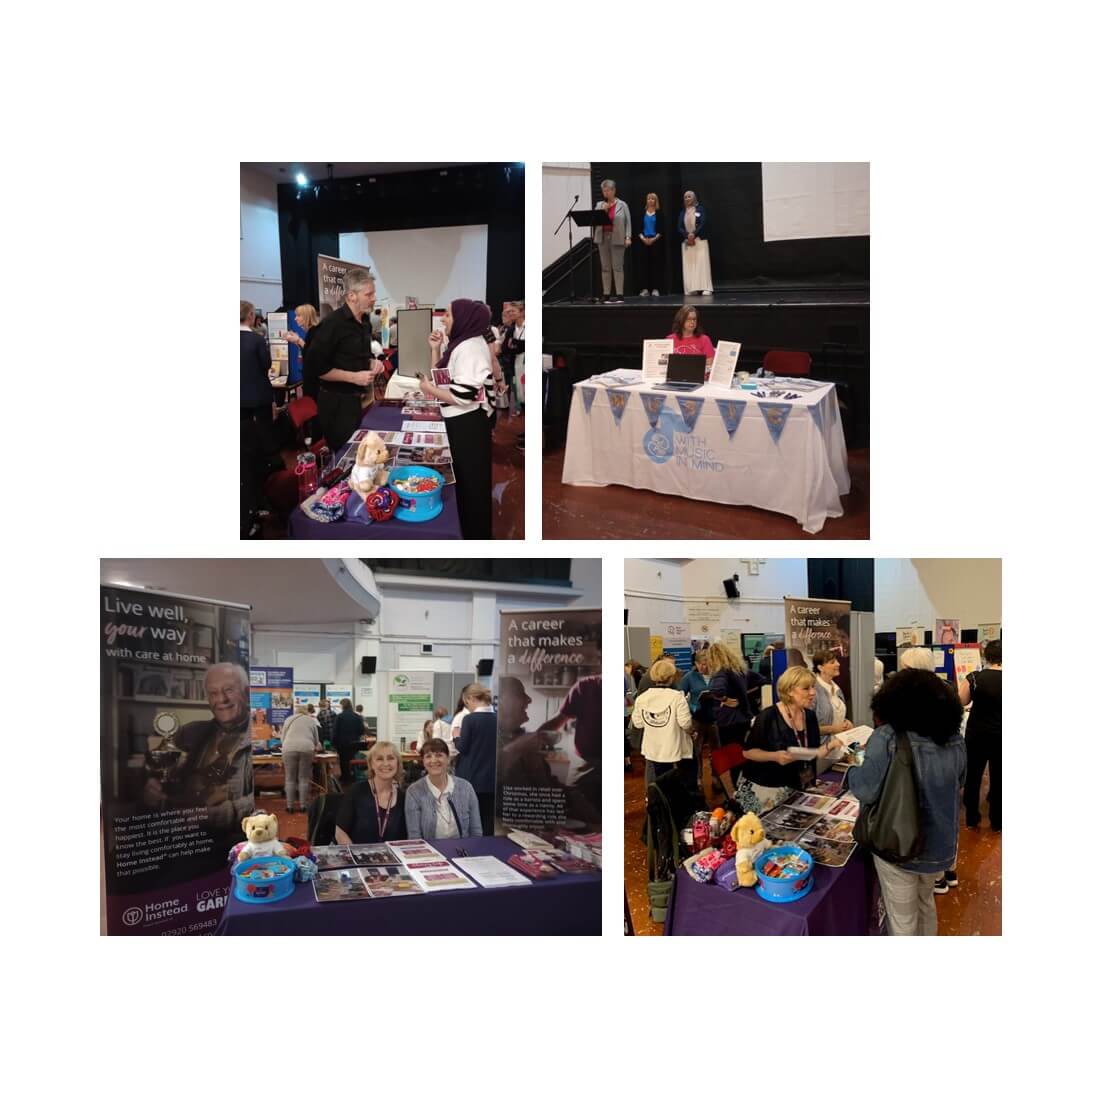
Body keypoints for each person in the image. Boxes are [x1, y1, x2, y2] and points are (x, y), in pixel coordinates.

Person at [848, 669, 966, 936]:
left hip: (899, 846)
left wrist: (854, 762)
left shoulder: (887, 737)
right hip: (939, 845)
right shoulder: (954, 738)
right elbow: (959, 782)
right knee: (926, 903)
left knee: (902, 920)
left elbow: (864, 789)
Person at [142, 662, 255, 833]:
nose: (221, 699)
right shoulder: (189, 732)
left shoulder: (258, 736)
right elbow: (156, 767)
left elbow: (260, 800)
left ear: (246, 693)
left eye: (229, 690)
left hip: (232, 838)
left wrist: (213, 815)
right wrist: (150, 784)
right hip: (180, 834)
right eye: (213, 693)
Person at [417, 299, 495, 539]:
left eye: (448, 315)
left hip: (468, 425)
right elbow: (444, 381)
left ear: (463, 318)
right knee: (467, 483)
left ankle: (475, 538)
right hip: (463, 422)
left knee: (472, 486)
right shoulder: (462, 344)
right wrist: (434, 349)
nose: (443, 319)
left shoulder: (470, 347)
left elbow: (462, 396)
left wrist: (427, 389)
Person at [736, 667, 842, 816]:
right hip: (765, 789)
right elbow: (747, 752)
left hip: (796, 788)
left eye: (813, 687)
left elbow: (811, 752)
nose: (812, 692)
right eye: (806, 688)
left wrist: (831, 745)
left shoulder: (810, 716)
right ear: (790, 691)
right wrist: (774, 756)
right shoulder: (768, 717)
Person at [306, 269, 386, 452]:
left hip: (359, 401)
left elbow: (358, 357)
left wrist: (371, 363)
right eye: (369, 294)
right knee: (345, 455)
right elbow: (316, 368)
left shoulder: (365, 322)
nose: (374, 298)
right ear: (351, 296)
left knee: (359, 452)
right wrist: (354, 377)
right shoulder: (332, 324)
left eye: (374, 293)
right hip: (336, 404)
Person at [703, 642, 753, 805]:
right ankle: (743, 792)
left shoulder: (721, 672)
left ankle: (734, 797)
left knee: (731, 759)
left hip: (728, 722)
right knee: (741, 756)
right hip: (743, 719)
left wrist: (723, 699)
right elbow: (760, 679)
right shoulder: (739, 670)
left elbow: (716, 689)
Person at [960, 638, 1001, 832]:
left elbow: (961, 700)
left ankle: (971, 818)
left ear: (986, 656)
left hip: (976, 734)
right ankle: (997, 821)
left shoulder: (974, 677)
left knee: (973, 777)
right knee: (1000, 777)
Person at [631, 658, 693, 786]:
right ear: (671, 678)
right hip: (674, 745)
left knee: (661, 780)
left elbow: (638, 723)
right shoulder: (677, 697)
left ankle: (661, 803)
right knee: (682, 778)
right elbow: (685, 723)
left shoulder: (641, 698)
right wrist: (692, 732)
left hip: (653, 748)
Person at [405, 738, 483, 838]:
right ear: (423, 761)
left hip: (463, 850)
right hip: (429, 852)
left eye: (439, 755)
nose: (433, 760)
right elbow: (414, 836)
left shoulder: (466, 788)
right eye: (428, 756)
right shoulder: (413, 792)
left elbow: (476, 831)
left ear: (448, 759)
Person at [334, 741, 408, 843]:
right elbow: (340, 832)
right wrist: (354, 856)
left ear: (398, 763)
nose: (386, 763)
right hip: (358, 855)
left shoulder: (403, 798)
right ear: (371, 764)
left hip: (392, 857)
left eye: (391, 758)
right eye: (379, 759)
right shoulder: (356, 791)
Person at [454, 685, 497, 835]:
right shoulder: (499, 718)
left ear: (471, 698)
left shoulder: (470, 719)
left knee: (469, 820)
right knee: (488, 821)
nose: (468, 707)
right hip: (492, 780)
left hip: (471, 777)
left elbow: (463, 747)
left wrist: (456, 737)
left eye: (467, 703)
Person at [594, 179, 631, 301]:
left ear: (614, 190)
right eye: (604, 191)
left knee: (618, 266)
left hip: (617, 238)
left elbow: (628, 223)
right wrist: (603, 210)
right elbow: (594, 220)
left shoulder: (622, 205)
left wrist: (628, 237)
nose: (606, 193)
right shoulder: (599, 205)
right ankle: (606, 293)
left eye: (608, 190)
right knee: (605, 267)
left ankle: (620, 293)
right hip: (602, 237)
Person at [279, 705, 321, 813]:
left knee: (290, 778)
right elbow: (316, 740)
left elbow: (282, 738)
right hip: (307, 748)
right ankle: (303, 806)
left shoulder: (289, 719)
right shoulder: (311, 720)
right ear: (306, 712)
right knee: (304, 778)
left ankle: (290, 806)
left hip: (289, 748)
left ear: (296, 711)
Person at [812, 649, 854, 739]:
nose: (838, 664)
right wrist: (832, 729)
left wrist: (846, 722)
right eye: (832, 662)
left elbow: (836, 715)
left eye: (837, 661)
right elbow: (806, 727)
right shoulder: (813, 691)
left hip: (840, 744)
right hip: (822, 748)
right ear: (820, 668)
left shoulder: (837, 689)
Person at [678, 190, 713, 295]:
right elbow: (679, 227)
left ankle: (706, 288)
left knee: (702, 265)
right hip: (687, 242)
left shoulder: (700, 209)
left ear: (694, 198)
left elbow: (703, 223)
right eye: (685, 197)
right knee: (690, 266)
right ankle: (691, 289)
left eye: (689, 196)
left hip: (699, 240)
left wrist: (694, 234)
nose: (687, 198)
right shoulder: (682, 212)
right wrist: (687, 236)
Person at [666, 306, 717, 374]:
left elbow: (710, 365)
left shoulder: (704, 339)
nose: (692, 322)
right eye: (688, 319)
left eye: (694, 319)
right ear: (681, 320)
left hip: (698, 378)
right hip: (676, 377)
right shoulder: (669, 339)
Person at [285, 303, 320, 389]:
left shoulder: (314, 332)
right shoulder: (311, 332)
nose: (295, 318)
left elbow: (313, 354)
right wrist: (297, 341)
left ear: (306, 316)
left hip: (315, 380)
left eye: (298, 316)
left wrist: (298, 340)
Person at [637, 192, 665, 296]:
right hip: (643, 241)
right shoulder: (642, 213)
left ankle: (655, 289)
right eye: (648, 199)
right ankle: (645, 289)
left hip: (656, 242)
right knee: (644, 266)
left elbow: (661, 230)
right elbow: (638, 228)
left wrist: (653, 239)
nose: (650, 200)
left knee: (655, 266)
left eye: (652, 199)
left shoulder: (659, 213)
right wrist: (643, 238)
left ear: (656, 201)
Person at [332, 697, 365, 784]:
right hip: (355, 743)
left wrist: (333, 743)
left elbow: (335, 731)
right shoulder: (357, 717)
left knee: (343, 761)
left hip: (342, 743)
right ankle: (354, 776)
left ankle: (345, 778)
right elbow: (362, 730)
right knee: (353, 759)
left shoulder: (339, 717)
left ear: (342, 706)